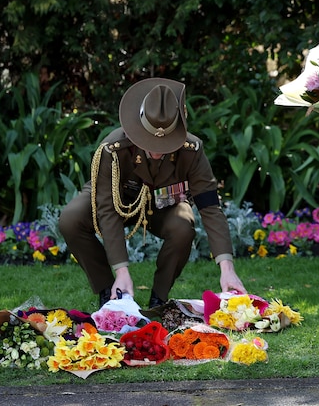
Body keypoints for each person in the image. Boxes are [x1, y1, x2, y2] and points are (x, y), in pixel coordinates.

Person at [59, 77, 247, 309]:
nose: (157, 152)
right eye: (150, 143)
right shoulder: (113, 149)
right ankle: (111, 290)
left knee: (182, 226)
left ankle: (159, 299)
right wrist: (121, 270)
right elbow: (106, 208)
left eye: (165, 144)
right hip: (118, 200)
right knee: (71, 219)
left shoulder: (192, 150)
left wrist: (227, 269)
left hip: (162, 206)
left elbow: (209, 206)